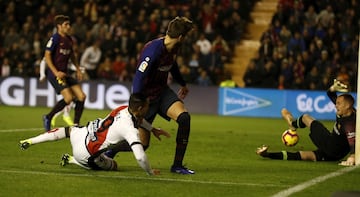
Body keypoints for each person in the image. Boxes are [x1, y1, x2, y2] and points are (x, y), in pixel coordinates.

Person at [106, 17, 195, 175]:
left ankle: (177, 165)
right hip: (146, 98)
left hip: (162, 91)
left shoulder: (173, 47)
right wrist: (136, 107)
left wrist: (182, 83)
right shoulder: (153, 51)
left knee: (184, 118)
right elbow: (139, 78)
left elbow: (172, 65)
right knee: (143, 144)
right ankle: (110, 151)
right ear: (181, 37)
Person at [19, 93, 170, 175]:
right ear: (139, 109)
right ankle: (73, 160)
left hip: (82, 134)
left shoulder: (123, 108)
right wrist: (149, 171)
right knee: (114, 166)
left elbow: (139, 120)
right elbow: (139, 156)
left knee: (68, 130)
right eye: (147, 107)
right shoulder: (129, 129)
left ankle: (30, 141)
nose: (148, 110)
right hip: (85, 154)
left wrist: (152, 129)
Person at [256, 79, 356, 166]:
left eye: (338, 103)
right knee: (302, 155)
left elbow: (352, 140)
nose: (335, 105)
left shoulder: (349, 122)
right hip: (334, 155)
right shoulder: (347, 111)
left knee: (306, 118)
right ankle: (268, 154)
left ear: (347, 105)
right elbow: (330, 94)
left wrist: (352, 156)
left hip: (329, 144)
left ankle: (292, 125)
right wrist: (333, 89)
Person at [42, 15, 86, 132]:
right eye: (66, 24)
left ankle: (76, 124)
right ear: (59, 26)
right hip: (54, 73)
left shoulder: (69, 39)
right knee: (68, 98)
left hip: (65, 73)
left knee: (81, 96)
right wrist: (56, 72)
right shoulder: (55, 39)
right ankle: (48, 117)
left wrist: (77, 69)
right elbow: (47, 56)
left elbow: (72, 55)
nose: (69, 27)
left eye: (69, 24)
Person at [39, 57, 74, 127]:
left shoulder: (68, 50)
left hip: (64, 75)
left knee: (71, 97)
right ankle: (57, 116)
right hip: (56, 75)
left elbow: (69, 64)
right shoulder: (54, 47)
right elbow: (44, 60)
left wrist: (78, 68)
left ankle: (60, 115)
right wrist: (42, 74)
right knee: (68, 97)